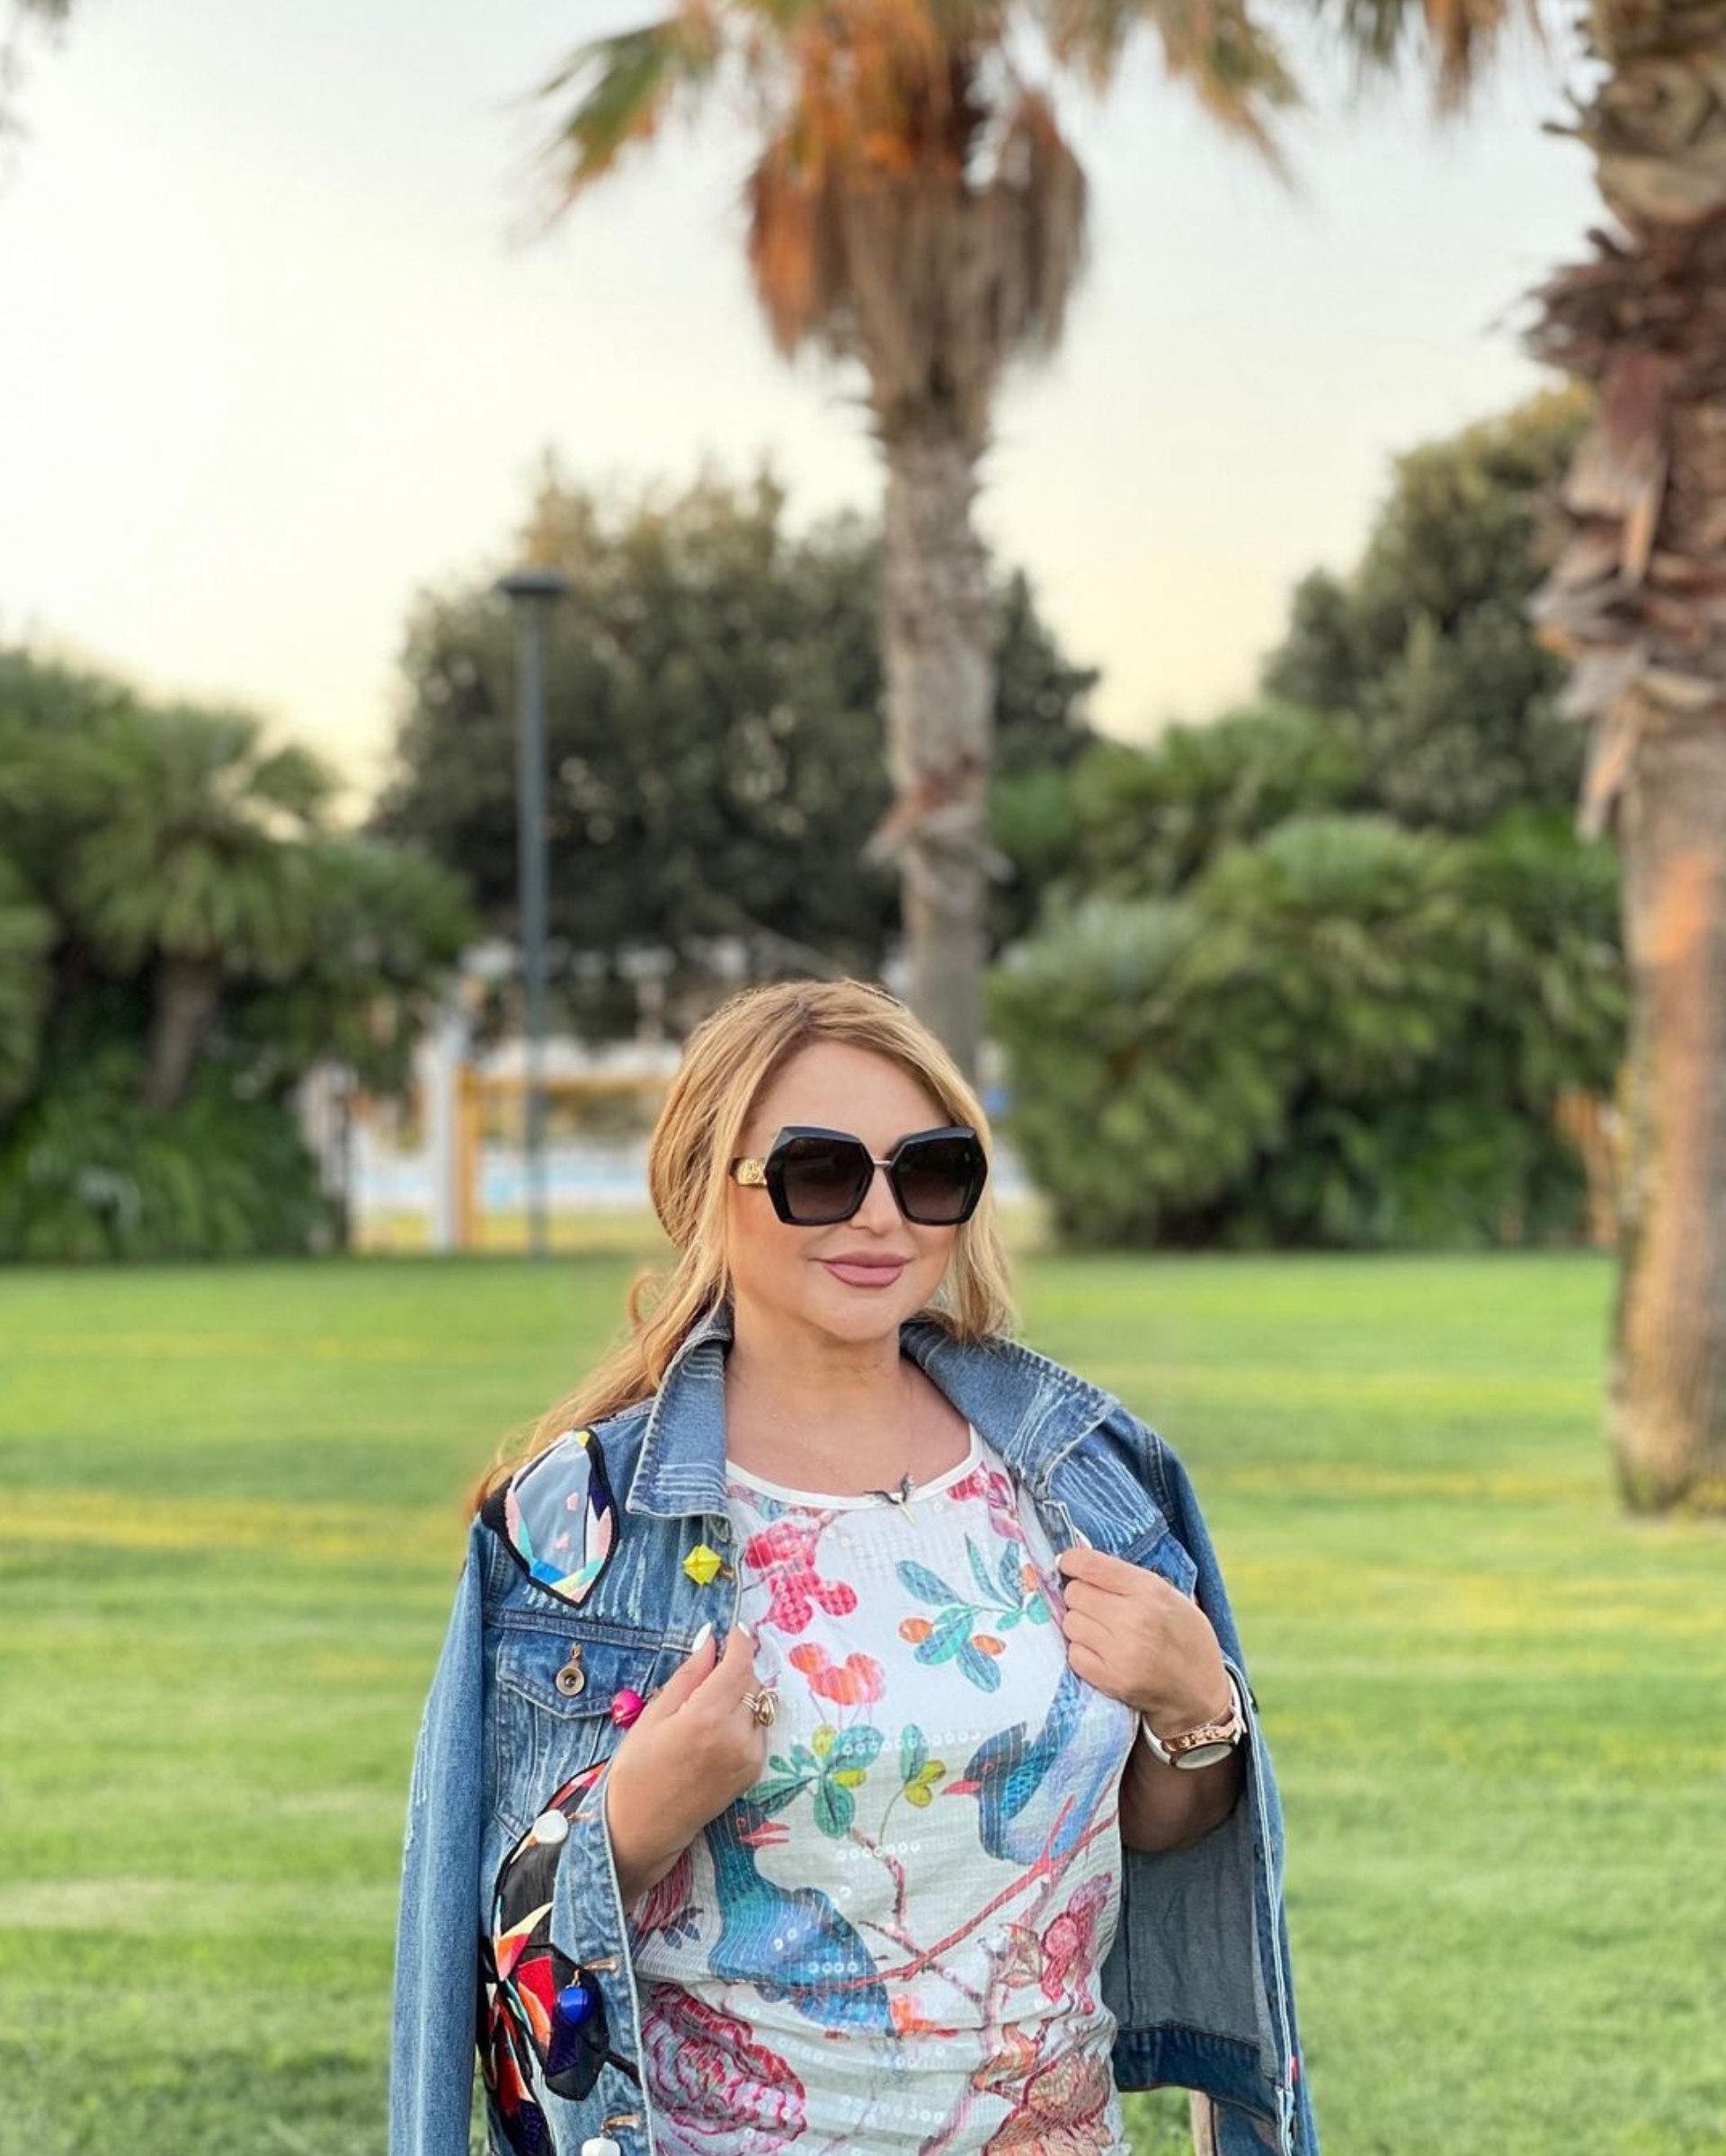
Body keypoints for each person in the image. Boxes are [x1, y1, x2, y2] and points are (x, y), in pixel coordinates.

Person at [389, 977, 1320, 2156]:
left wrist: (1198, 1713)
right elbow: (477, 1947)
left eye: (928, 1171)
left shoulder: (1089, 1474)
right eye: (821, 1172)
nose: (881, 1216)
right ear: (706, 1187)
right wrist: (628, 1822)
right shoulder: (577, 1524)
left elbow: (1152, 1833)